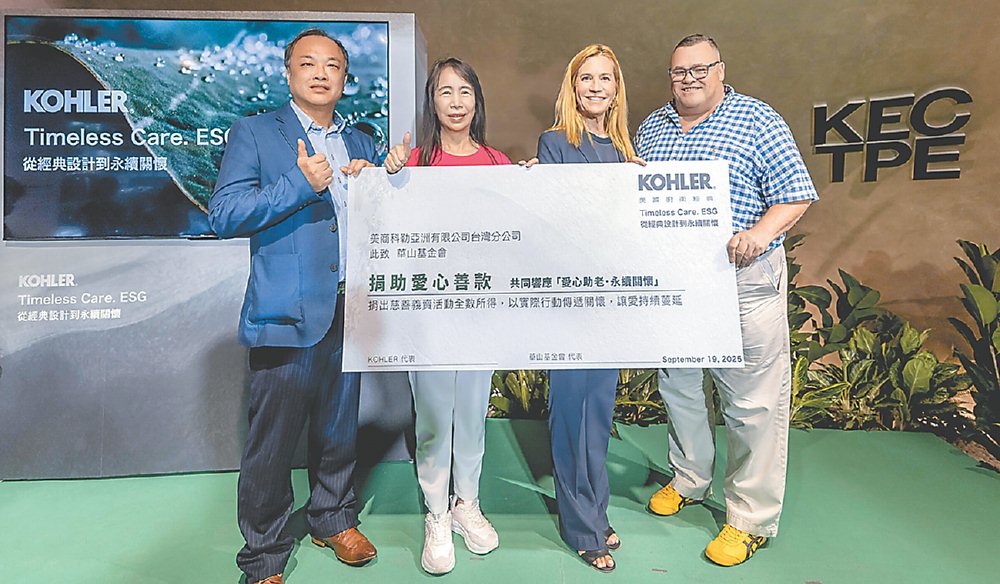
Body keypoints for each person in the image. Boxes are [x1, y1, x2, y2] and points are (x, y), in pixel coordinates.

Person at [635, 34, 817, 566]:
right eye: (679, 71)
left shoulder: (757, 119)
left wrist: (760, 233)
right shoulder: (652, 128)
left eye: (700, 69)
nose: (689, 79)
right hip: (676, 286)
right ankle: (689, 479)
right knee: (680, 388)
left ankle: (750, 518)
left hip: (743, 279)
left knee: (752, 402)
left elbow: (795, 195)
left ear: (720, 70)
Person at [208, 28, 382, 584]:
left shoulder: (361, 141)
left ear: (345, 79)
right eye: (308, 63)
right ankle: (263, 555)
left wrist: (390, 178)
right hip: (286, 312)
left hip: (351, 307)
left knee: (338, 428)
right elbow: (225, 215)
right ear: (288, 74)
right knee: (272, 442)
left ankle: (333, 516)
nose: (321, 73)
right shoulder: (256, 132)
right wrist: (298, 184)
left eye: (333, 65)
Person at [383, 57, 509, 575]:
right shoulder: (413, 163)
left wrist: (531, 183)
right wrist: (386, 175)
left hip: (480, 314)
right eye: (445, 92)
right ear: (431, 102)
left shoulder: (499, 162)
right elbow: (385, 224)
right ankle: (436, 512)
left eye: (465, 92)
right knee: (434, 418)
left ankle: (466, 505)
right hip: (429, 317)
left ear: (477, 101)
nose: (456, 103)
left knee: (472, 414)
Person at [530, 43, 641, 573]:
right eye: (586, 78)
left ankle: (596, 509)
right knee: (571, 414)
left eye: (605, 78)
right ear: (572, 87)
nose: (595, 87)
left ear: (617, 90)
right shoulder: (555, 142)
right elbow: (560, 220)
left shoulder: (626, 151)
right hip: (571, 299)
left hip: (612, 300)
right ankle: (582, 528)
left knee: (598, 415)